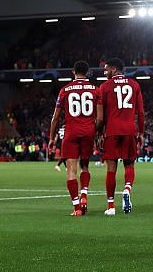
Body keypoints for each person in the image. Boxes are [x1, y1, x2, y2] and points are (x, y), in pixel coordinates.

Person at [48, 61, 99, 217]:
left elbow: (55, 118)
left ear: (73, 72)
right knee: (85, 166)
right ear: (88, 72)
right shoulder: (95, 90)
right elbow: (100, 116)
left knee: (71, 170)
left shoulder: (65, 90)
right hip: (89, 131)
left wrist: (51, 137)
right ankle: (84, 194)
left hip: (71, 132)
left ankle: (77, 207)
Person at [96, 58, 144, 216]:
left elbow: (101, 118)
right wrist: (141, 133)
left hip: (112, 131)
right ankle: (127, 189)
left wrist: (99, 133)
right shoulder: (135, 85)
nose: (105, 72)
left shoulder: (104, 87)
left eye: (107, 69)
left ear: (115, 69)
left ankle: (110, 206)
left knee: (111, 169)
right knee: (129, 165)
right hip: (130, 130)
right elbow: (141, 113)